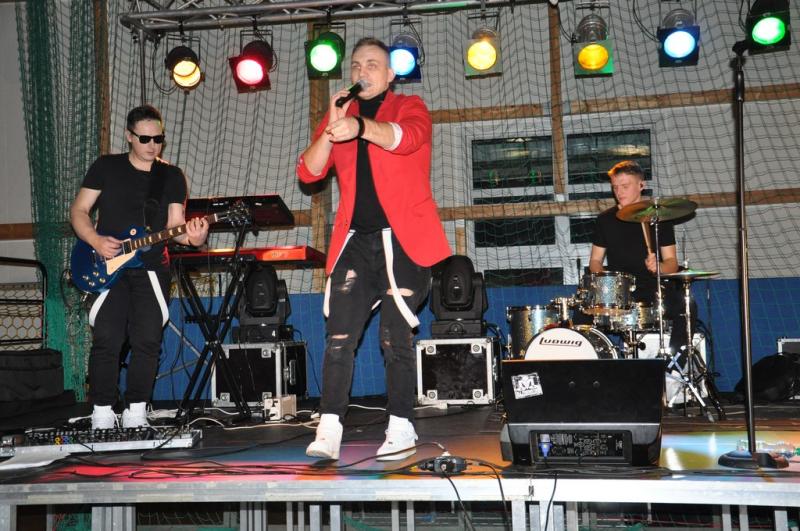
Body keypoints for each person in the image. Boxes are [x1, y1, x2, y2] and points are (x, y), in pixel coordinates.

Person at [296, 37, 451, 461]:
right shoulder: (342, 114)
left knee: (393, 334)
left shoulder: (409, 105)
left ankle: (401, 426)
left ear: (390, 74)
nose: (362, 71)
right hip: (355, 241)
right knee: (339, 336)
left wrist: (361, 127)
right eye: (356, 65)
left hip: (403, 239)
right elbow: (309, 172)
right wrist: (332, 125)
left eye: (372, 64)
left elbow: (406, 138)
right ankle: (329, 427)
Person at [70, 104, 209, 430]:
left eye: (158, 139)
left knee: (147, 340)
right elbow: (79, 210)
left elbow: (176, 227)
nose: (152, 145)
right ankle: (101, 412)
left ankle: (136, 412)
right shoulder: (106, 167)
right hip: (107, 266)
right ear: (129, 136)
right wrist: (95, 239)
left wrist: (195, 237)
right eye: (145, 139)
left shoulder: (171, 176)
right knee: (107, 338)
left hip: (150, 267)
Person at [588, 160, 691, 358]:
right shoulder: (605, 220)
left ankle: (673, 364)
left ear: (641, 185)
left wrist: (659, 267)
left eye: (625, 186)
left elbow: (672, 262)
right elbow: (595, 261)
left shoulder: (659, 218)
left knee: (687, 306)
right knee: (582, 314)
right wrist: (604, 283)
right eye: (615, 187)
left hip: (652, 287)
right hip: (620, 290)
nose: (619, 192)